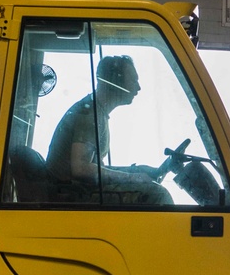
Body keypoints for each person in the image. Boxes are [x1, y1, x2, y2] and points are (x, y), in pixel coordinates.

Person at [46, 55, 170, 204]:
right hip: (70, 196)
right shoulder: (90, 115)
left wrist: (138, 171)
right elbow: (80, 168)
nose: (138, 87)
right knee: (157, 195)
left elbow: (95, 168)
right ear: (114, 81)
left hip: (71, 191)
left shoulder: (95, 110)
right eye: (133, 80)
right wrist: (132, 177)